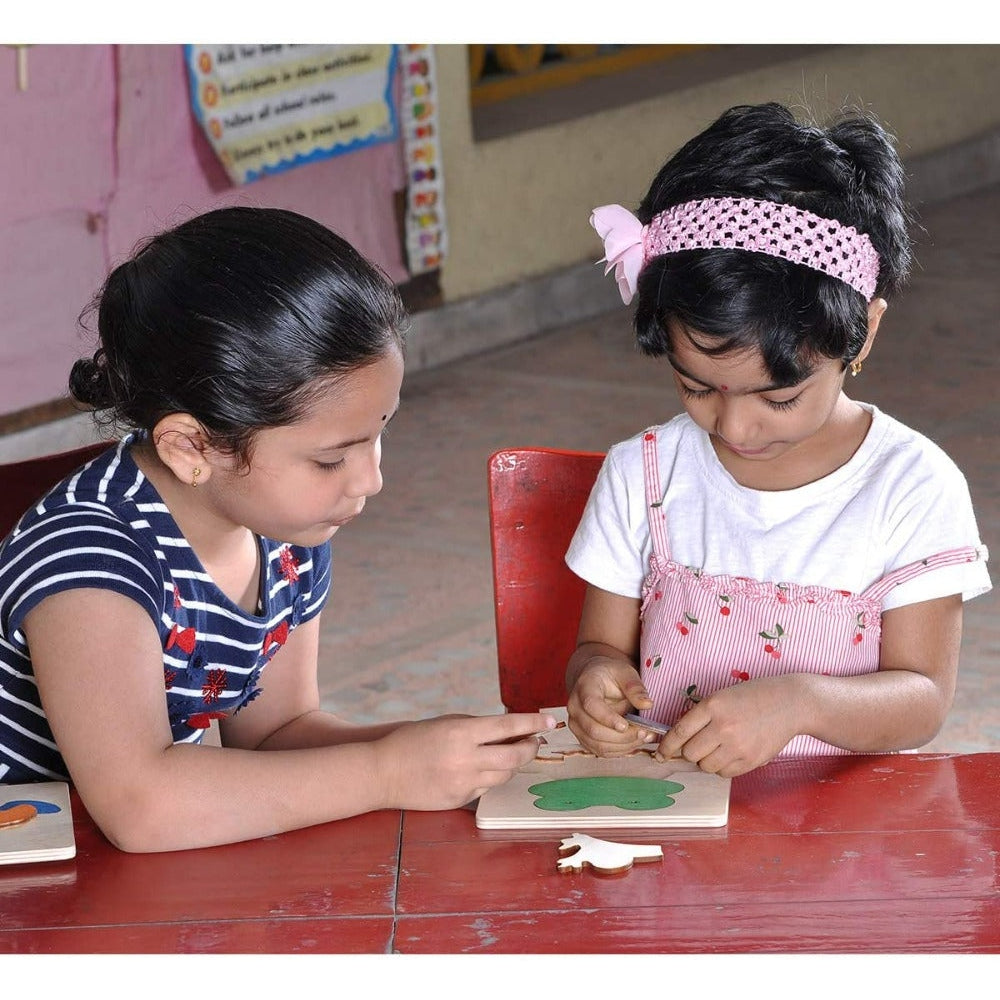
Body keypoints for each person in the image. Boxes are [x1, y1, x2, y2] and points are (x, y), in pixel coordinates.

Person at [0, 207, 555, 852]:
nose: (370, 479)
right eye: (330, 458)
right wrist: (384, 773)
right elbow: (141, 805)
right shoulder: (91, 557)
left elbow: (276, 732)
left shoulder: (287, 533)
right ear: (191, 448)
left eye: (378, 436)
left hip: (100, 863)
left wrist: (423, 751)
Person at [565, 102, 991, 778]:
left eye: (780, 397)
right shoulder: (642, 475)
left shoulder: (912, 486)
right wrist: (594, 680)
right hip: (681, 817)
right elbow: (598, 646)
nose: (734, 428)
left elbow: (924, 699)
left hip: (849, 837)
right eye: (697, 387)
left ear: (864, 334)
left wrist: (800, 703)